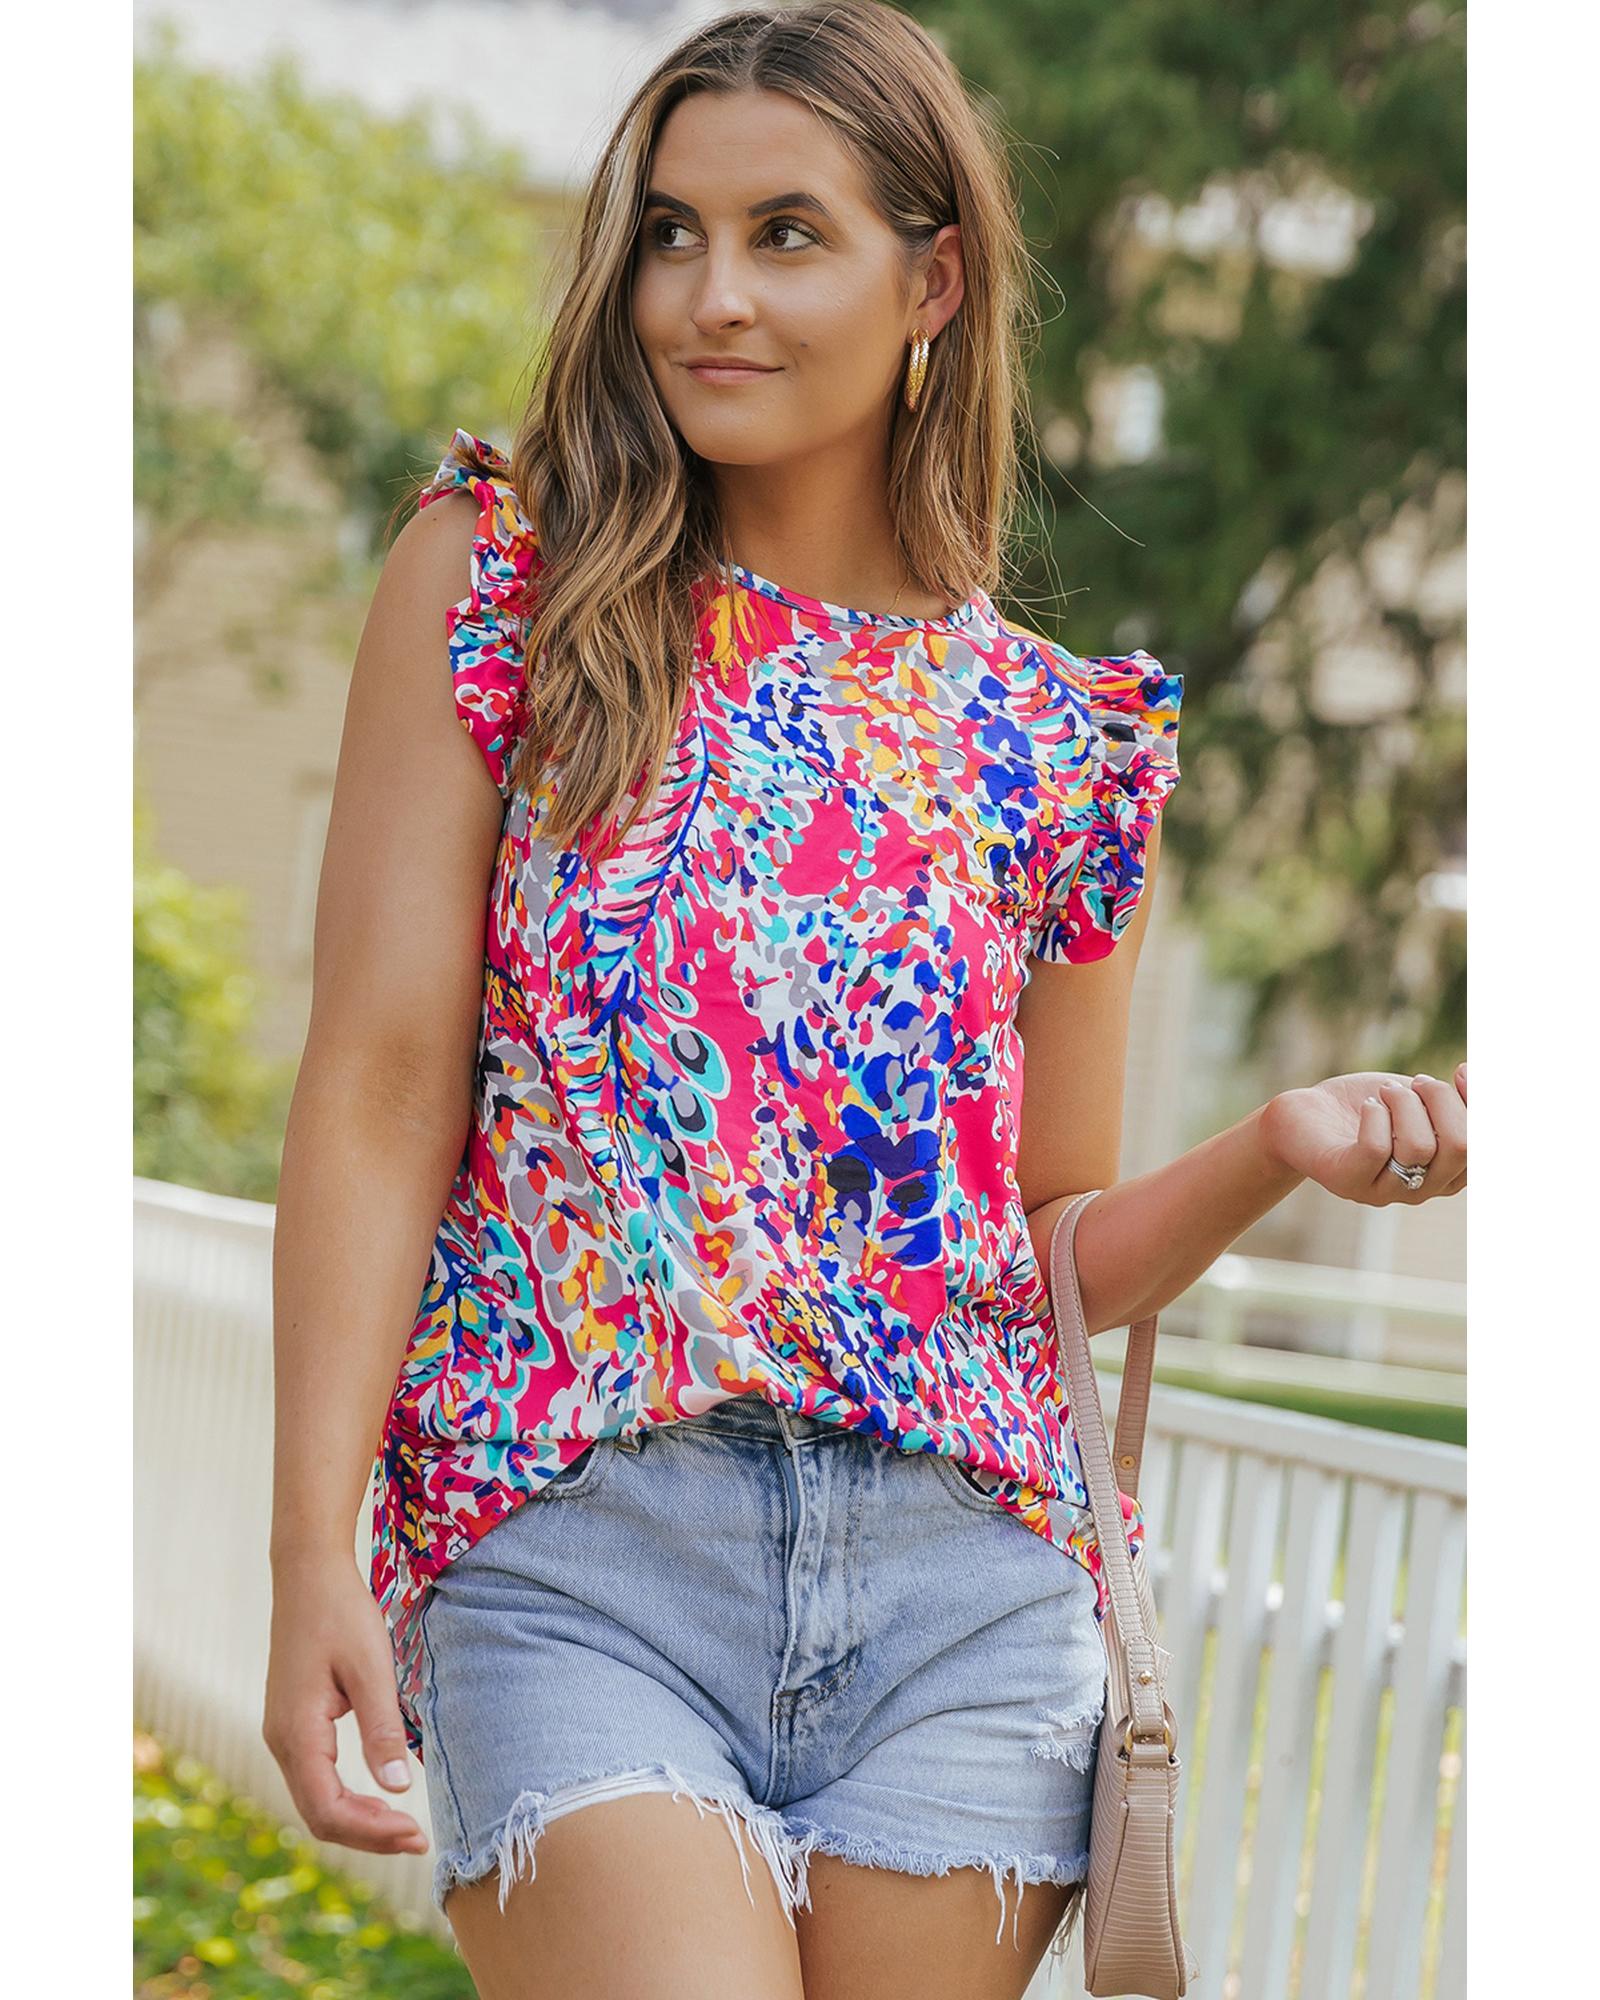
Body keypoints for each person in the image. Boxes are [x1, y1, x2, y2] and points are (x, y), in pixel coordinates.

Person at [260, 6, 1468, 1996]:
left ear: (935, 281)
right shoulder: (503, 588)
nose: (707, 296)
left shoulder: (1061, 743)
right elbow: (385, 1082)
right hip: (573, 1551)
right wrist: (315, 1541)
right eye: (670, 233)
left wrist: (1274, 1147)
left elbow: (1047, 1246)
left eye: (786, 235)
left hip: (961, 1602)